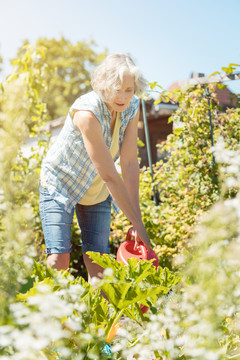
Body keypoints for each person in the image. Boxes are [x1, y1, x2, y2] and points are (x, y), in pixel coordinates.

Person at [39, 53, 152, 283]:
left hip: (97, 190)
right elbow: (111, 175)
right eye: (116, 89)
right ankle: (52, 317)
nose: (122, 96)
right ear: (103, 86)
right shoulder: (87, 113)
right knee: (58, 260)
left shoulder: (132, 107)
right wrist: (139, 226)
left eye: (128, 90)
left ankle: (100, 320)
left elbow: (129, 163)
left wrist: (136, 221)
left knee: (100, 267)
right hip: (61, 184)